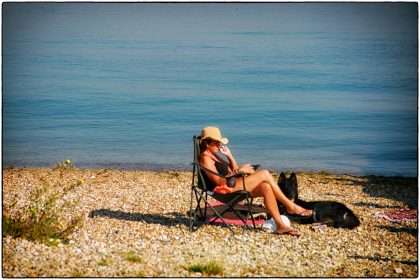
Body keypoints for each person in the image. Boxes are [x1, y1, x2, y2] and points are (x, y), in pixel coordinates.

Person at [198, 126, 312, 237]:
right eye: (217, 142)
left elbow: (233, 171)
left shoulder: (214, 155)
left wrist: (229, 156)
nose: (219, 145)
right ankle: (290, 206)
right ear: (207, 143)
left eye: (219, 142)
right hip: (224, 191)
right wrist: (239, 170)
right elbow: (218, 181)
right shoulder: (205, 158)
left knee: (266, 186)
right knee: (264, 173)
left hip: (233, 184)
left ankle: (280, 225)